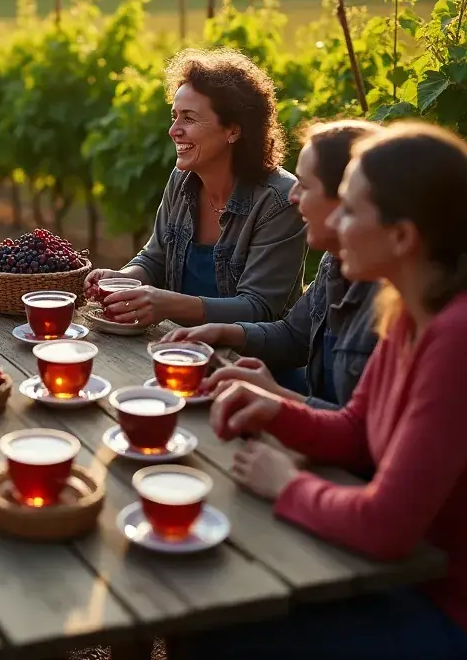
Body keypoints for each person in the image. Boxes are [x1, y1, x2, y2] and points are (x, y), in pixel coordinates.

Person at [186, 123, 467, 659]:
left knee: (220, 620)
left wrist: (285, 483)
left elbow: (384, 527)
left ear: (402, 237)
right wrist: (273, 409)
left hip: (441, 608)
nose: (334, 220)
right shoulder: (405, 310)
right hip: (392, 577)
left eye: (352, 211)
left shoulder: (455, 336)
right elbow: (356, 428)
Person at [161, 119, 381, 408]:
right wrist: (224, 332)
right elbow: (293, 335)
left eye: (304, 185)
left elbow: (362, 430)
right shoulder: (335, 264)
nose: (293, 195)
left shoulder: (392, 302)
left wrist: (275, 397)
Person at [85, 48, 306, 329]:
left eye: (188, 118)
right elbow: (155, 258)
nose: (173, 130)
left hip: (252, 365)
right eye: (174, 116)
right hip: (182, 348)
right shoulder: (182, 180)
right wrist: (120, 280)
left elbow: (259, 309)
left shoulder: (278, 201)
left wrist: (166, 304)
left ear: (233, 130)